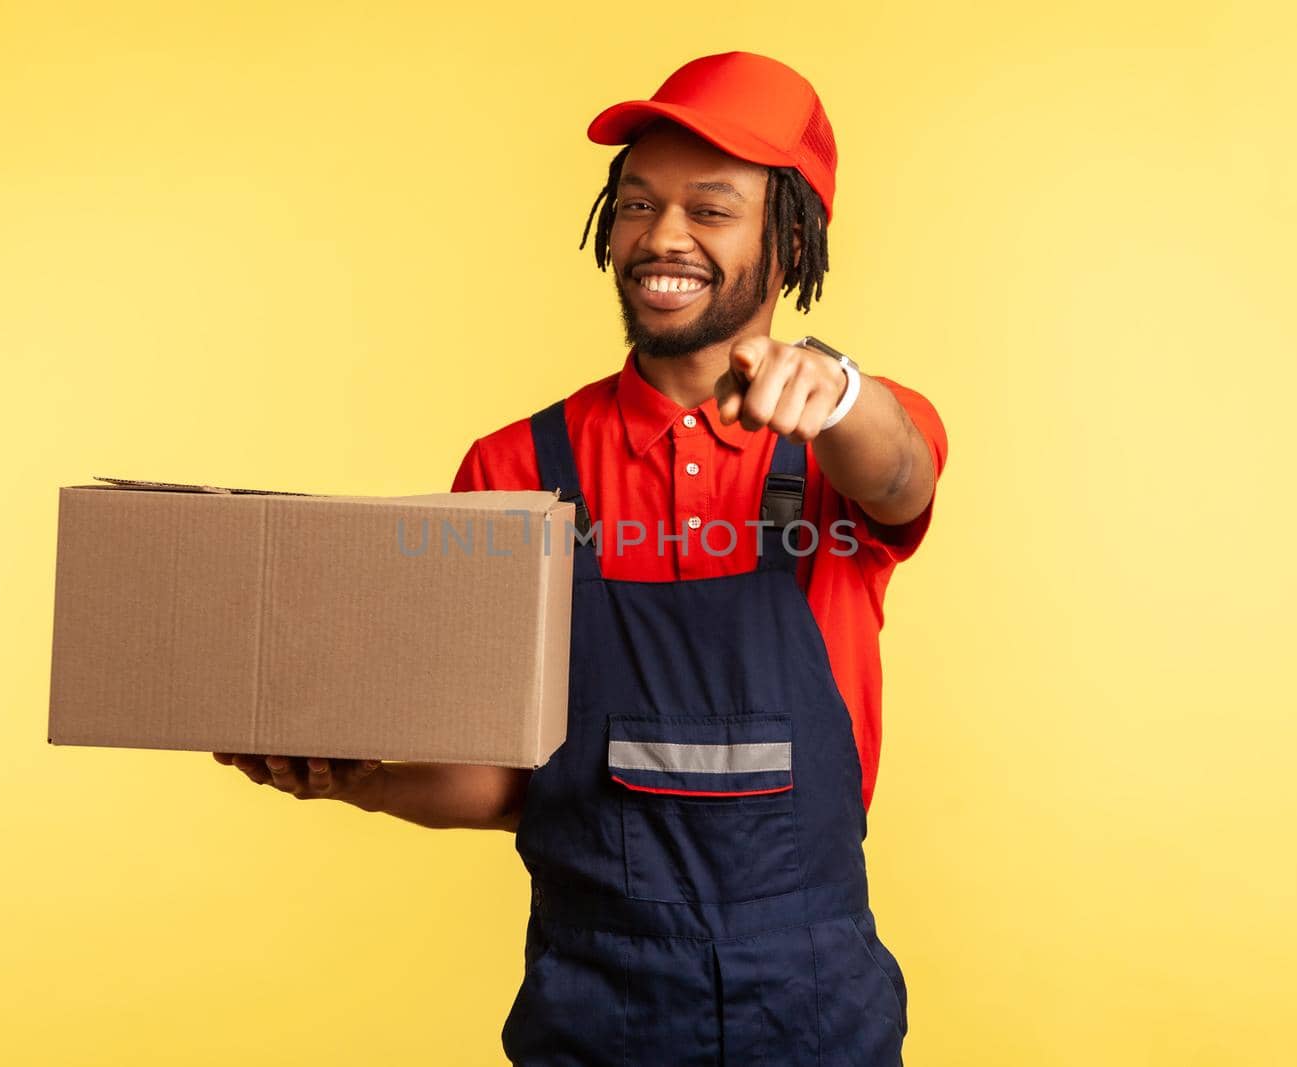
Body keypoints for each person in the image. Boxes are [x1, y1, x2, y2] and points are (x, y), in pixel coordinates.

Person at [215, 50, 947, 1065]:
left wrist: (839, 387)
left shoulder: (842, 447)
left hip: (811, 995)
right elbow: (502, 779)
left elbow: (900, 472)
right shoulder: (515, 467)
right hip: (596, 997)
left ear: (790, 237)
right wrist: (353, 780)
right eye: (637, 203)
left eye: (711, 207)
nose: (662, 237)